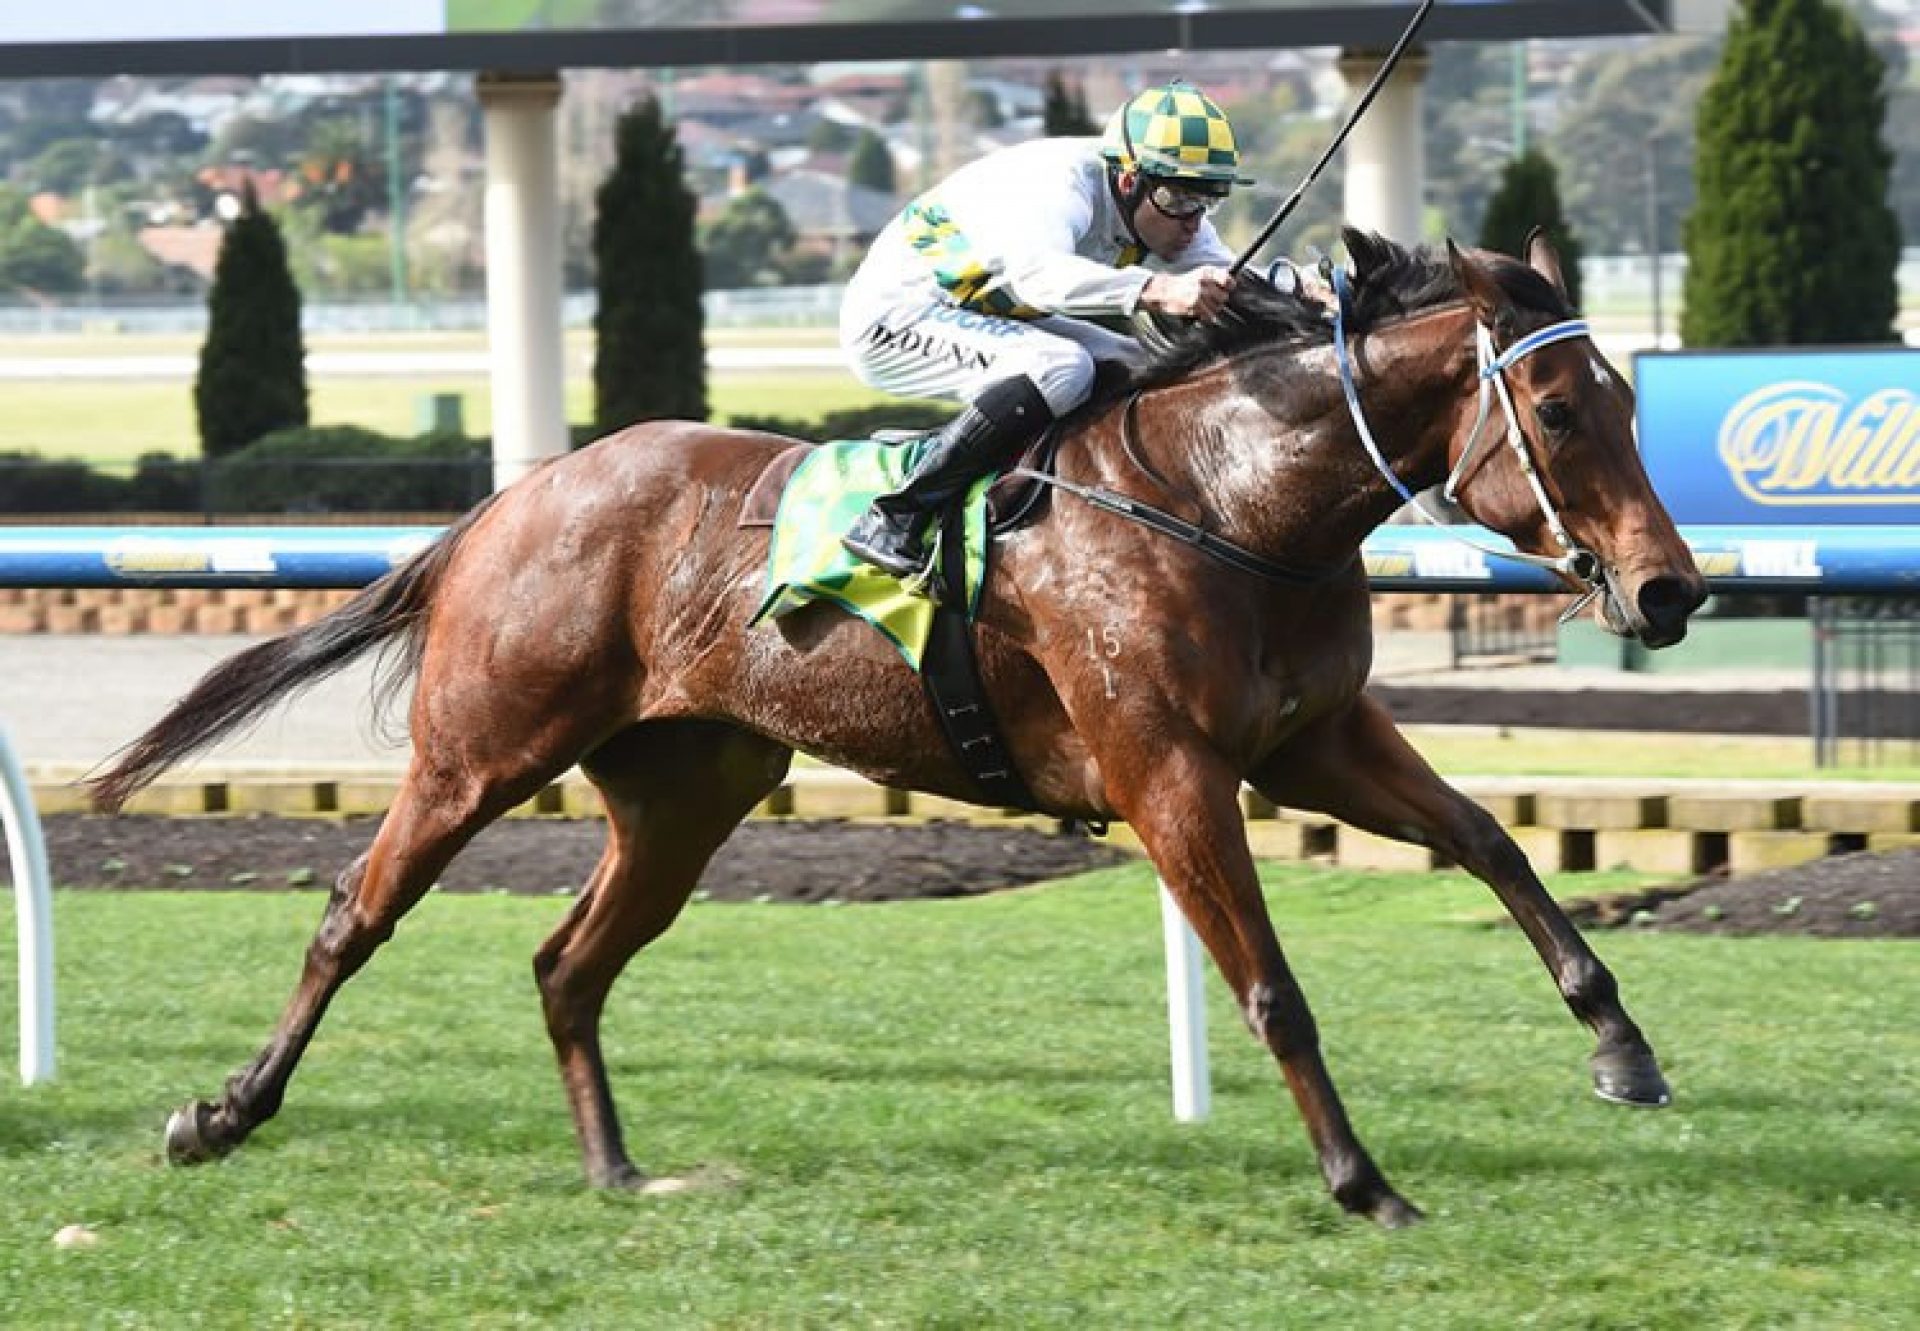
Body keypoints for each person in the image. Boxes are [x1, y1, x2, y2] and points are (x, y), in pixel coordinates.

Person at [838, 79, 1258, 583]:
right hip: (897, 316)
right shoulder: (1059, 184)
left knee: (1138, 365)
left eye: (1207, 200)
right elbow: (1040, 279)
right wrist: (1157, 289)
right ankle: (896, 516)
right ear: (1129, 180)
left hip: (983, 309)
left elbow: (1237, 283)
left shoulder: (1161, 204)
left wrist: (1314, 291)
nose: (1192, 220)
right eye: (1179, 197)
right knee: (1061, 368)